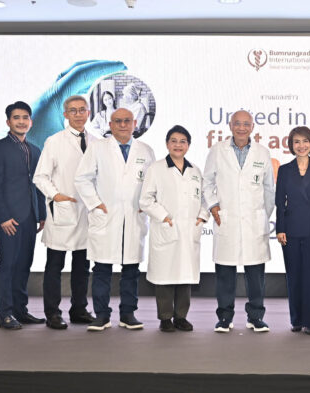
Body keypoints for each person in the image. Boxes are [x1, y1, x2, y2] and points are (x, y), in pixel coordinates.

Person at [74, 108, 155, 331]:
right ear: (110, 125)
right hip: (106, 215)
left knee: (131, 270)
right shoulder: (98, 148)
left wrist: (146, 203)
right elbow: (82, 179)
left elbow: (153, 183)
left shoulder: (146, 151)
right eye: (117, 121)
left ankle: (128, 314)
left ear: (135, 123)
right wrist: (95, 203)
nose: (122, 125)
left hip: (134, 216)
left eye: (127, 121)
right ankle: (101, 315)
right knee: (102, 268)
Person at [203, 110, 275, 333]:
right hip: (227, 219)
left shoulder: (262, 152)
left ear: (252, 127)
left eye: (246, 124)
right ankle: (224, 318)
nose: (241, 128)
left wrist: (262, 214)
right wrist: (213, 205)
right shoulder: (217, 151)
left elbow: (269, 189)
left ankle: (256, 317)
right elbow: (207, 182)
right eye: (237, 123)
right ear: (230, 125)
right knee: (225, 274)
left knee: (256, 275)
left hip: (254, 221)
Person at [33, 95, 96, 330]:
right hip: (63, 211)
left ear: (88, 112)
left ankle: (79, 310)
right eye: (73, 110)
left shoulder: (97, 142)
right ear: (65, 114)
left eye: (82, 110)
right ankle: (52, 313)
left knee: (82, 267)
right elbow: (40, 176)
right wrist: (56, 195)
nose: (78, 114)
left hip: (87, 214)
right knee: (54, 266)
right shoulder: (54, 141)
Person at [139, 125, 209, 333]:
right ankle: (165, 318)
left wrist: (202, 217)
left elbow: (205, 199)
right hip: (167, 228)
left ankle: (181, 317)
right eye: (174, 141)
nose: (178, 145)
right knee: (165, 277)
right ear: (167, 144)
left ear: (188, 145)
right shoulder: (156, 169)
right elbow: (145, 200)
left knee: (185, 276)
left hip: (189, 231)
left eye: (182, 141)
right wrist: (164, 216)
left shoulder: (195, 171)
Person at [0, 101, 46, 329]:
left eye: (25, 117)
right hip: (9, 219)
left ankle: (21, 310)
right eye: (16, 117)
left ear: (31, 121)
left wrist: (41, 214)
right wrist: (2, 216)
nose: (21, 121)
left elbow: (38, 184)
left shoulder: (35, 150)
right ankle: (6, 314)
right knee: (8, 265)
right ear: (8, 121)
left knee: (24, 265)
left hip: (30, 216)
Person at [275, 126, 310, 335]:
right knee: (294, 276)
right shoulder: (284, 170)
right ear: (291, 145)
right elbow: (279, 202)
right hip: (290, 229)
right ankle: (296, 320)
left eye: (305, 141)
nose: (301, 145)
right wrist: (280, 228)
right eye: (297, 142)